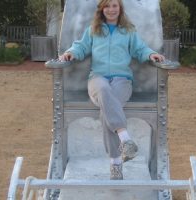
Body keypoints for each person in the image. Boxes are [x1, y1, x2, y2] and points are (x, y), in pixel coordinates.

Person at [59, 0, 165, 180]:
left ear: (120, 8)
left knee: (107, 110)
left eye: (114, 5)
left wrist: (150, 54)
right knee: (103, 90)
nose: (111, 9)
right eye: (107, 6)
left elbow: (140, 49)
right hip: (97, 79)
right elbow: (81, 46)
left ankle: (115, 164)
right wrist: (71, 52)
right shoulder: (94, 30)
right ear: (102, 9)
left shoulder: (128, 31)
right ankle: (125, 140)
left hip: (122, 80)